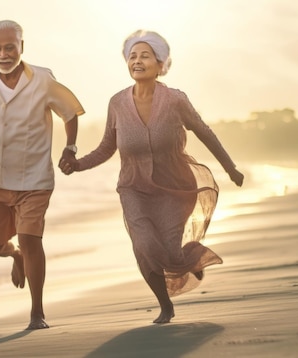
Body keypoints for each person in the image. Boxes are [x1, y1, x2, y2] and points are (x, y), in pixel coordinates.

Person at [59, 30, 244, 324]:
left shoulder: (174, 100)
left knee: (170, 251)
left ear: (160, 64)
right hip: (134, 189)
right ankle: (165, 305)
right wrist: (77, 164)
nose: (137, 60)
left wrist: (230, 167)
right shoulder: (117, 103)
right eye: (132, 56)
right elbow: (107, 147)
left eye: (145, 55)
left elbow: (203, 131)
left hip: (175, 187)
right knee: (144, 246)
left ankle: (190, 256)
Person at [0, 19, 84, 330]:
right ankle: (14, 256)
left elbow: (69, 112)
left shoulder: (42, 79)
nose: (3, 54)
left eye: (10, 47)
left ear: (22, 47)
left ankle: (37, 313)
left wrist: (70, 148)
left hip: (35, 180)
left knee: (30, 239)